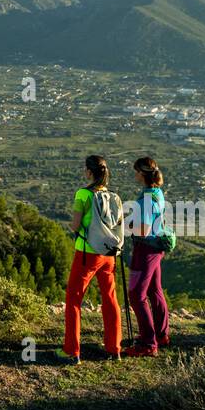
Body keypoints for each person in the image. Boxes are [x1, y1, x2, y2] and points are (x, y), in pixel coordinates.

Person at [58, 154, 122, 364]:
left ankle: (71, 351)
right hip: (108, 254)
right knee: (110, 298)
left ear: (89, 172)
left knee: (73, 300)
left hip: (87, 253)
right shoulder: (112, 195)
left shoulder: (84, 194)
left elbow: (76, 225)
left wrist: (72, 227)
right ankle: (114, 348)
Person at [124, 156, 170, 357]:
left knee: (136, 295)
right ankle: (161, 335)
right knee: (154, 290)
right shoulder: (157, 193)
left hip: (145, 249)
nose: (134, 175)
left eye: (136, 171)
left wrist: (125, 224)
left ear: (142, 173)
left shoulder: (146, 199)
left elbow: (143, 229)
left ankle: (147, 343)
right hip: (157, 247)